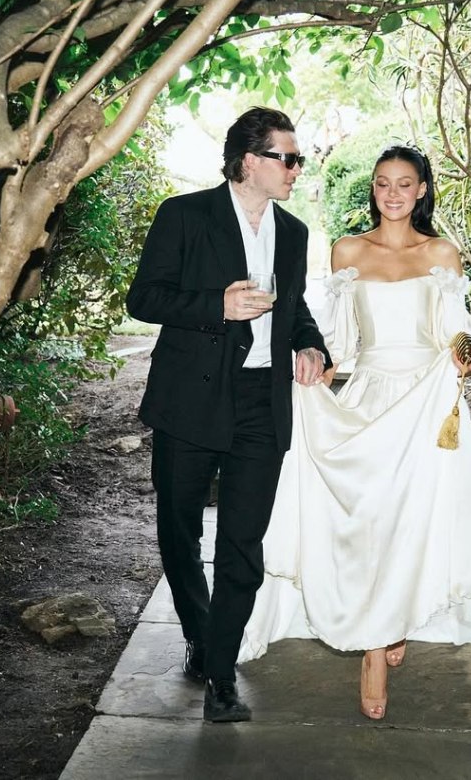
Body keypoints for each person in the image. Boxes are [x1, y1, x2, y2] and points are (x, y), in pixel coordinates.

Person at [238, 145, 471, 720]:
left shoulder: (441, 254)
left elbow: (456, 335)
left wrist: (466, 355)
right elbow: (338, 339)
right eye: (383, 183)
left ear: (423, 190)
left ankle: (382, 639)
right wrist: (317, 366)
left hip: (425, 404)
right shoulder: (347, 250)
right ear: (374, 190)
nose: (392, 193)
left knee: (412, 522)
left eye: (405, 184)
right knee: (369, 522)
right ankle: (378, 634)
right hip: (369, 399)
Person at [126, 107, 330, 723]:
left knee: (243, 542)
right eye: (287, 158)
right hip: (189, 398)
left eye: (298, 159)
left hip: (260, 405)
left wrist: (311, 343)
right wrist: (217, 304)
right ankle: (198, 628)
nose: (296, 169)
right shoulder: (184, 215)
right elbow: (144, 298)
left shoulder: (293, 233)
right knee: (180, 528)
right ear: (250, 161)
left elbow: (292, 310)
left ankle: (221, 671)